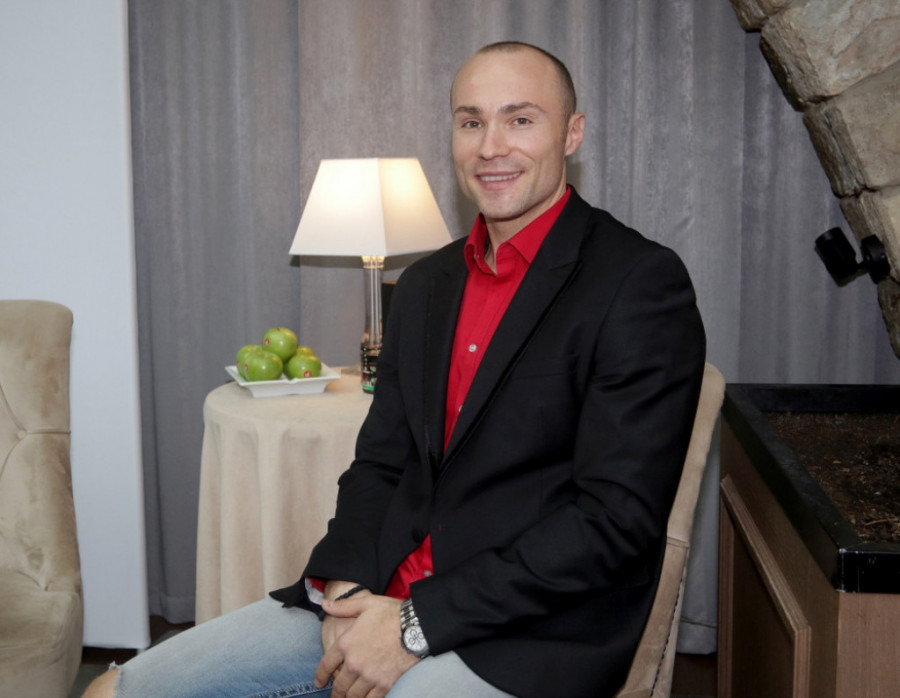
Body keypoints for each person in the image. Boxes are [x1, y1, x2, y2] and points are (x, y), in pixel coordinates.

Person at [85, 40, 705, 698]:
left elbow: (613, 522)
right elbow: (380, 463)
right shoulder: (425, 284)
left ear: (572, 133)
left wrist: (415, 624)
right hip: (381, 593)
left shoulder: (637, 284)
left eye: (520, 119)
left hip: (524, 633)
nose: (491, 146)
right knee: (116, 691)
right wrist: (346, 586)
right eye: (471, 122)